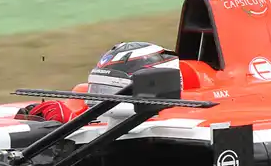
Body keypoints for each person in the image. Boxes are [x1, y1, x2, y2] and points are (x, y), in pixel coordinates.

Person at [18, 42, 179, 123]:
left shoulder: (178, 121)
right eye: (98, 89)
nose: (100, 99)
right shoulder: (82, 99)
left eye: (109, 91)